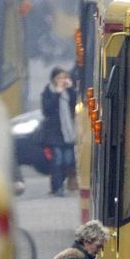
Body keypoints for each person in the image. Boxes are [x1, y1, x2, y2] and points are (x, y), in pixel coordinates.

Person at [41, 66, 76, 197]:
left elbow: (75, 104)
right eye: (59, 78)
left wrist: (71, 88)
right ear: (54, 79)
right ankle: (57, 187)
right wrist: (57, 93)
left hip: (68, 132)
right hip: (54, 132)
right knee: (57, 159)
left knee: (68, 160)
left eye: (64, 77)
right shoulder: (48, 91)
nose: (62, 80)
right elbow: (47, 110)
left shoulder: (69, 92)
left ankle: (60, 182)